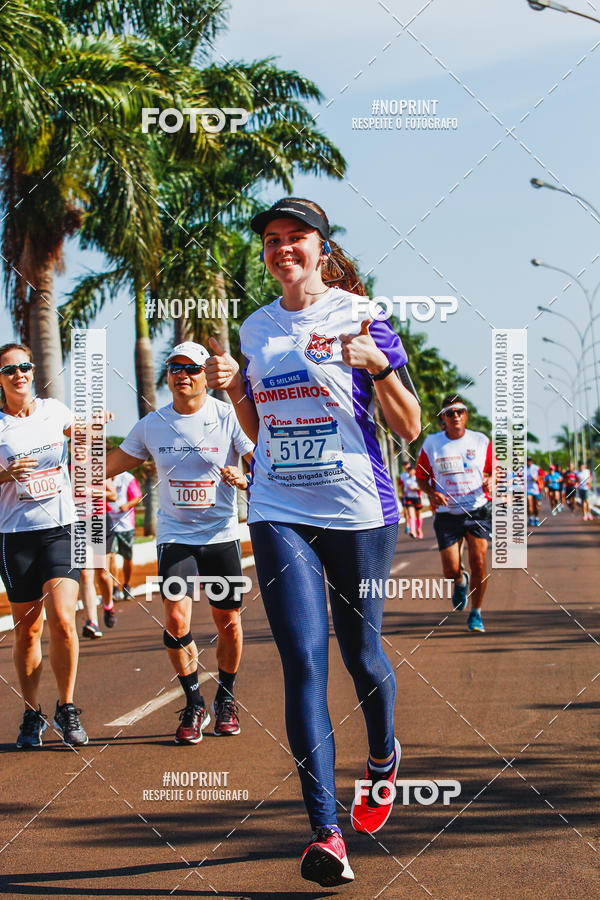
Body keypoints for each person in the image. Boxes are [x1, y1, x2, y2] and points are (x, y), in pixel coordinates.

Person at [205, 197, 421, 888]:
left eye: (296, 236)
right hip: (279, 506)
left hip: (359, 509)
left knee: (360, 653)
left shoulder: (364, 317)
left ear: (321, 248)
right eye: (272, 239)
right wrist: (236, 390)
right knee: (303, 659)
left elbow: (410, 425)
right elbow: (257, 422)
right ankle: (326, 832)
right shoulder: (256, 326)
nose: (282, 248)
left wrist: (378, 367)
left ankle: (383, 757)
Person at [106, 341, 254, 744]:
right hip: (175, 537)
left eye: (191, 368)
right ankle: (194, 702)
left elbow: (260, 463)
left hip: (221, 536)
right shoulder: (153, 424)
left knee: (229, 623)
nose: (182, 375)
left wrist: (246, 479)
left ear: (205, 374)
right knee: (175, 621)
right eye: (174, 368)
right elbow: (112, 463)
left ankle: (226, 697)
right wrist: (75, 460)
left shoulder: (228, 417)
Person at [0, 343, 88, 747]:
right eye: (10, 369)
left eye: (25, 366)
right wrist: (5, 473)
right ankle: (31, 713)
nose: (19, 374)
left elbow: (82, 434)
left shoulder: (55, 410)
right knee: (28, 631)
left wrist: (94, 424)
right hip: (15, 536)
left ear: (34, 371)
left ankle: (67, 708)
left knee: (64, 620)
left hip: (61, 529)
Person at [416, 394, 496, 634]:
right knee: (450, 569)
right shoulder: (432, 443)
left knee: (478, 561)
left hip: (478, 508)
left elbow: (494, 471)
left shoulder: (480, 441)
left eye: (460, 411)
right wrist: (432, 492)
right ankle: (460, 582)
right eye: (450, 413)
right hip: (447, 513)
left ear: (466, 414)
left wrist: (492, 480)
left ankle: (476, 613)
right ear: (443, 418)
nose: (456, 416)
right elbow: (421, 478)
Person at [107, 466, 142, 602]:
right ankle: (115, 587)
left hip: (125, 524)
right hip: (109, 522)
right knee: (111, 556)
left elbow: (138, 497)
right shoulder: (101, 477)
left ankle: (126, 585)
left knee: (127, 557)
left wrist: (127, 505)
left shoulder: (127, 478)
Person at [402, 465, 423, 539]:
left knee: (418, 515)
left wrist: (414, 488)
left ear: (414, 471)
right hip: (409, 498)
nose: (411, 472)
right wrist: (404, 493)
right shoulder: (406, 480)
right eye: (409, 471)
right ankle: (412, 531)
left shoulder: (417, 479)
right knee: (410, 515)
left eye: (412, 471)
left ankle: (419, 530)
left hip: (417, 498)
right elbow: (404, 489)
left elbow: (421, 488)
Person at [526, 457, 541, 527]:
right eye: (527, 461)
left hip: (535, 489)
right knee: (529, 504)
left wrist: (536, 478)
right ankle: (531, 518)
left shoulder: (536, 468)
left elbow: (543, 475)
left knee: (536, 506)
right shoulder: (523, 469)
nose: (529, 462)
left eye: (530, 461)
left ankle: (537, 518)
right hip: (527, 489)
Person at [398, 461, 411, 534]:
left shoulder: (414, 473)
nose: (406, 467)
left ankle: (414, 526)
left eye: (407, 465)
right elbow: (400, 485)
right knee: (406, 511)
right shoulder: (402, 475)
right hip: (405, 496)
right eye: (405, 465)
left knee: (413, 512)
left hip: (414, 496)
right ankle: (407, 526)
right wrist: (402, 491)